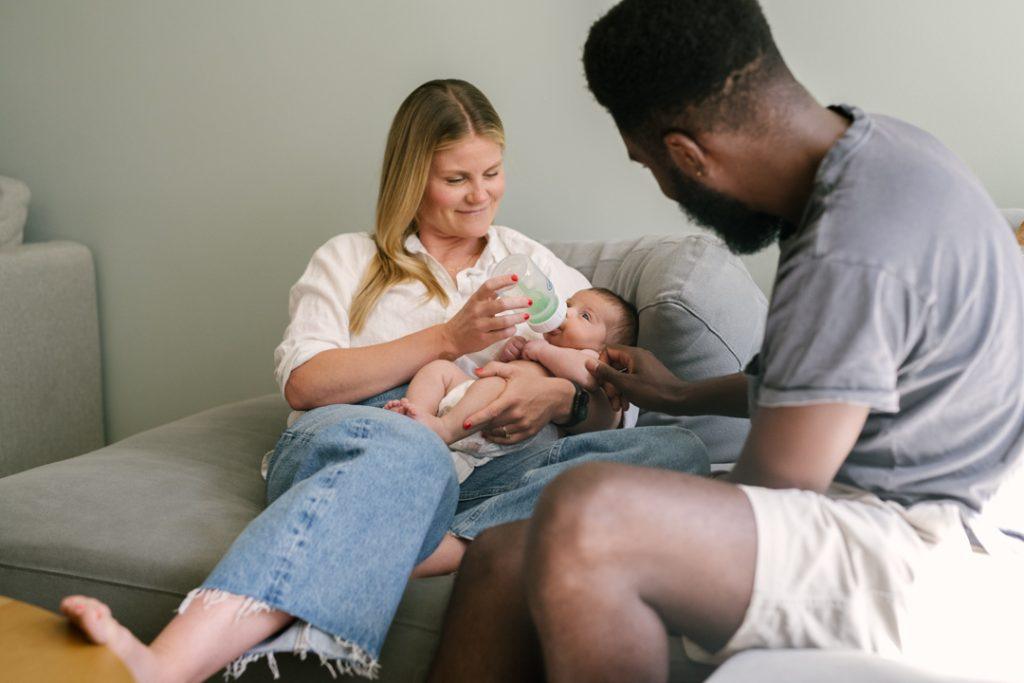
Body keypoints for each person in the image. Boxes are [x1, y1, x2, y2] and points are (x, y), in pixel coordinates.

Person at [427, 1, 1024, 682]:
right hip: (884, 515)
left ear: (687, 154)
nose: (663, 186)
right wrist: (678, 394)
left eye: (651, 165)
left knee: (585, 513)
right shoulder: (876, 157)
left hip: (933, 550)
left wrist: (634, 521)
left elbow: (777, 488)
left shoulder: (850, 241)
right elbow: (824, 387)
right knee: (502, 556)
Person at [57, 78, 710, 682]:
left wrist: (558, 398)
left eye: (491, 173)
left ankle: (417, 539)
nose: (481, 195)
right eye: (456, 179)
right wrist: (449, 338)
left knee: (676, 450)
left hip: (486, 467)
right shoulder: (349, 258)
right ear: (412, 177)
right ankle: (165, 664)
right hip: (370, 438)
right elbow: (305, 384)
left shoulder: (530, 261)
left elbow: (612, 404)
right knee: (411, 445)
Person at [386, 287, 639, 482]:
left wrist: (541, 351)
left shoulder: (590, 358)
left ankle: (444, 429)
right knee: (439, 369)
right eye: (569, 304)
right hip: (472, 398)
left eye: (585, 316)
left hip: (503, 417)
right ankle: (416, 413)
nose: (567, 312)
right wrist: (508, 355)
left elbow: (585, 376)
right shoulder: (540, 345)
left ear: (605, 349)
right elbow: (491, 372)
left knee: (496, 386)